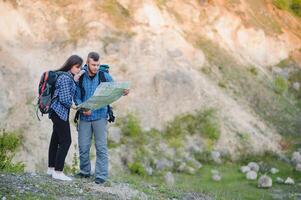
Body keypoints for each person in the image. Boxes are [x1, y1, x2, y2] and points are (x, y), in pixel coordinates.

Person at [74, 52, 129, 184]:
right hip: (84, 116)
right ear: (87, 63)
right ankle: (85, 172)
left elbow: (115, 89)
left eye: (98, 64)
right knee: (83, 146)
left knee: (101, 147)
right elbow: (76, 95)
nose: (96, 67)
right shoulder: (80, 76)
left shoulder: (104, 75)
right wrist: (82, 108)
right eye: (93, 64)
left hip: (100, 116)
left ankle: (101, 176)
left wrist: (124, 91)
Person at [47, 55, 83, 181]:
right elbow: (65, 99)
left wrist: (75, 80)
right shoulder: (65, 78)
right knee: (66, 141)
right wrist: (74, 106)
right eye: (77, 67)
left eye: (80, 67)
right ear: (71, 65)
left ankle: (51, 168)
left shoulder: (66, 77)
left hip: (56, 112)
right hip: (59, 112)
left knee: (55, 139)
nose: (79, 69)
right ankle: (58, 171)